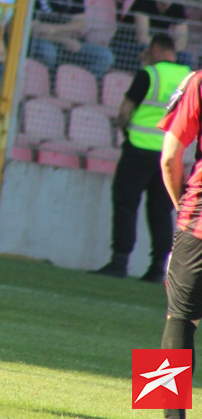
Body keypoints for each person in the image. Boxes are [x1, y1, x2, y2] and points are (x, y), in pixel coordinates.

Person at [153, 54, 202, 416]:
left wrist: (183, 208)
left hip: (198, 223)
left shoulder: (198, 82)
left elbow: (169, 157)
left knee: (179, 318)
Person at [28, 0, 115, 79]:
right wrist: (63, 39)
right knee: (48, 52)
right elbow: (33, 28)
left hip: (69, 41)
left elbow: (79, 24)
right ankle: (45, 83)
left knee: (105, 56)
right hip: (41, 41)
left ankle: (79, 85)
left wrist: (53, 30)